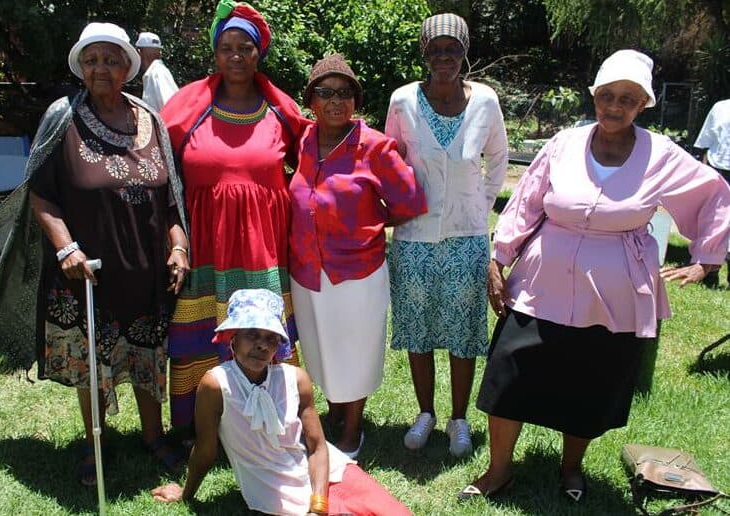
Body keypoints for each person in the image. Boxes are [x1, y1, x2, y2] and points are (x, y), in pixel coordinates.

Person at [461, 50, 730, 503]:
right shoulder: (564, 142)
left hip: (613, 289)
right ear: (594, 96)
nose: (614, 106)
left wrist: (707, 258)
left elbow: (715, 192)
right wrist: (498, 256)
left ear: (643, 103)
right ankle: (499, 470)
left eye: (627, 98)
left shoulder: (660, 153)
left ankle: (571, 468)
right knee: (509, 372)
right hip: (542, 279)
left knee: (590, 379)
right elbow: (527, 199)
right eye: (607, 95)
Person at [0, 22, 191, 486]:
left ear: (129, 66)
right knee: (92, 363)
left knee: (148, 357)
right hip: (87, 273)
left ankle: (153, 436)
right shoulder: (63, 116)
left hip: (146, 272)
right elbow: (40, 195)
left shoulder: (151, 119)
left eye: (112, 60)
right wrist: (66, 248)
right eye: (92, 59)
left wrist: (178, 247)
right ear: (80, 66)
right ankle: (94, 443)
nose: (102, 68)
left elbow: (170, 200)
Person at [159, 0, 306, 435]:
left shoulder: (281, 111)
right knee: (197, 336)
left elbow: (313, 166)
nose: (236, 55)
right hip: (205, 246)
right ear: (216, 54)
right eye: (227, 47)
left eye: (246, 47)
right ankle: (197, 427)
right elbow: (158, 169)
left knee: (263, 334)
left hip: (262, 250)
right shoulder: (188, 107)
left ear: (259, 54)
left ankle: (269, 425)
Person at [151, 289, 412, 515]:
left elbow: (318, 448)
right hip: (274, 489)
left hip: (327, 474)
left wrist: (318, 506)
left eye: (271, 338)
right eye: (252, 334)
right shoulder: (216, 385)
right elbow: (206, 449)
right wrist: (186, 493)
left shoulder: (295, 379)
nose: (262, 346)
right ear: (233, 339)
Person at [289, 54, 427, 458]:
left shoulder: (375, 146)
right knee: (320, 347)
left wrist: (371, 220)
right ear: (311, 100)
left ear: (356, 100)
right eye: (325, 92)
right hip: (307, 270)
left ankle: (352, 430)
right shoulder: (303, 141)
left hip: (357, 270)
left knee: (355, 349)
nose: (336, 101)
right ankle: (334, 412)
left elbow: (410, 200)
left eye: (345, 92)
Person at [384, 13, 508, 457]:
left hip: (467, 236)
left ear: (464, 52)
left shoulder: (486, 102)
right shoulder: (402, 102)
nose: (444, 58)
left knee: (462, 331)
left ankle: (458, 419)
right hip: (414, 236)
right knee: (416, 328)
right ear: (424, 53)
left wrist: (480, 204)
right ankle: (425, 414)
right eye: (435, 49)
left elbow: (498, 157)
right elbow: (390, 160)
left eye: (451, 49)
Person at [694, 98, 730, 286]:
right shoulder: (720, 107)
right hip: (719, 170)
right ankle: (711, 271)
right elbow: (705, 144)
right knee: (714, 222)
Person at [135, 31, 179, 111]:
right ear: (159, 54)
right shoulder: (154, 72)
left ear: (139, 52)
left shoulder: (157, 73)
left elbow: (171, 108)